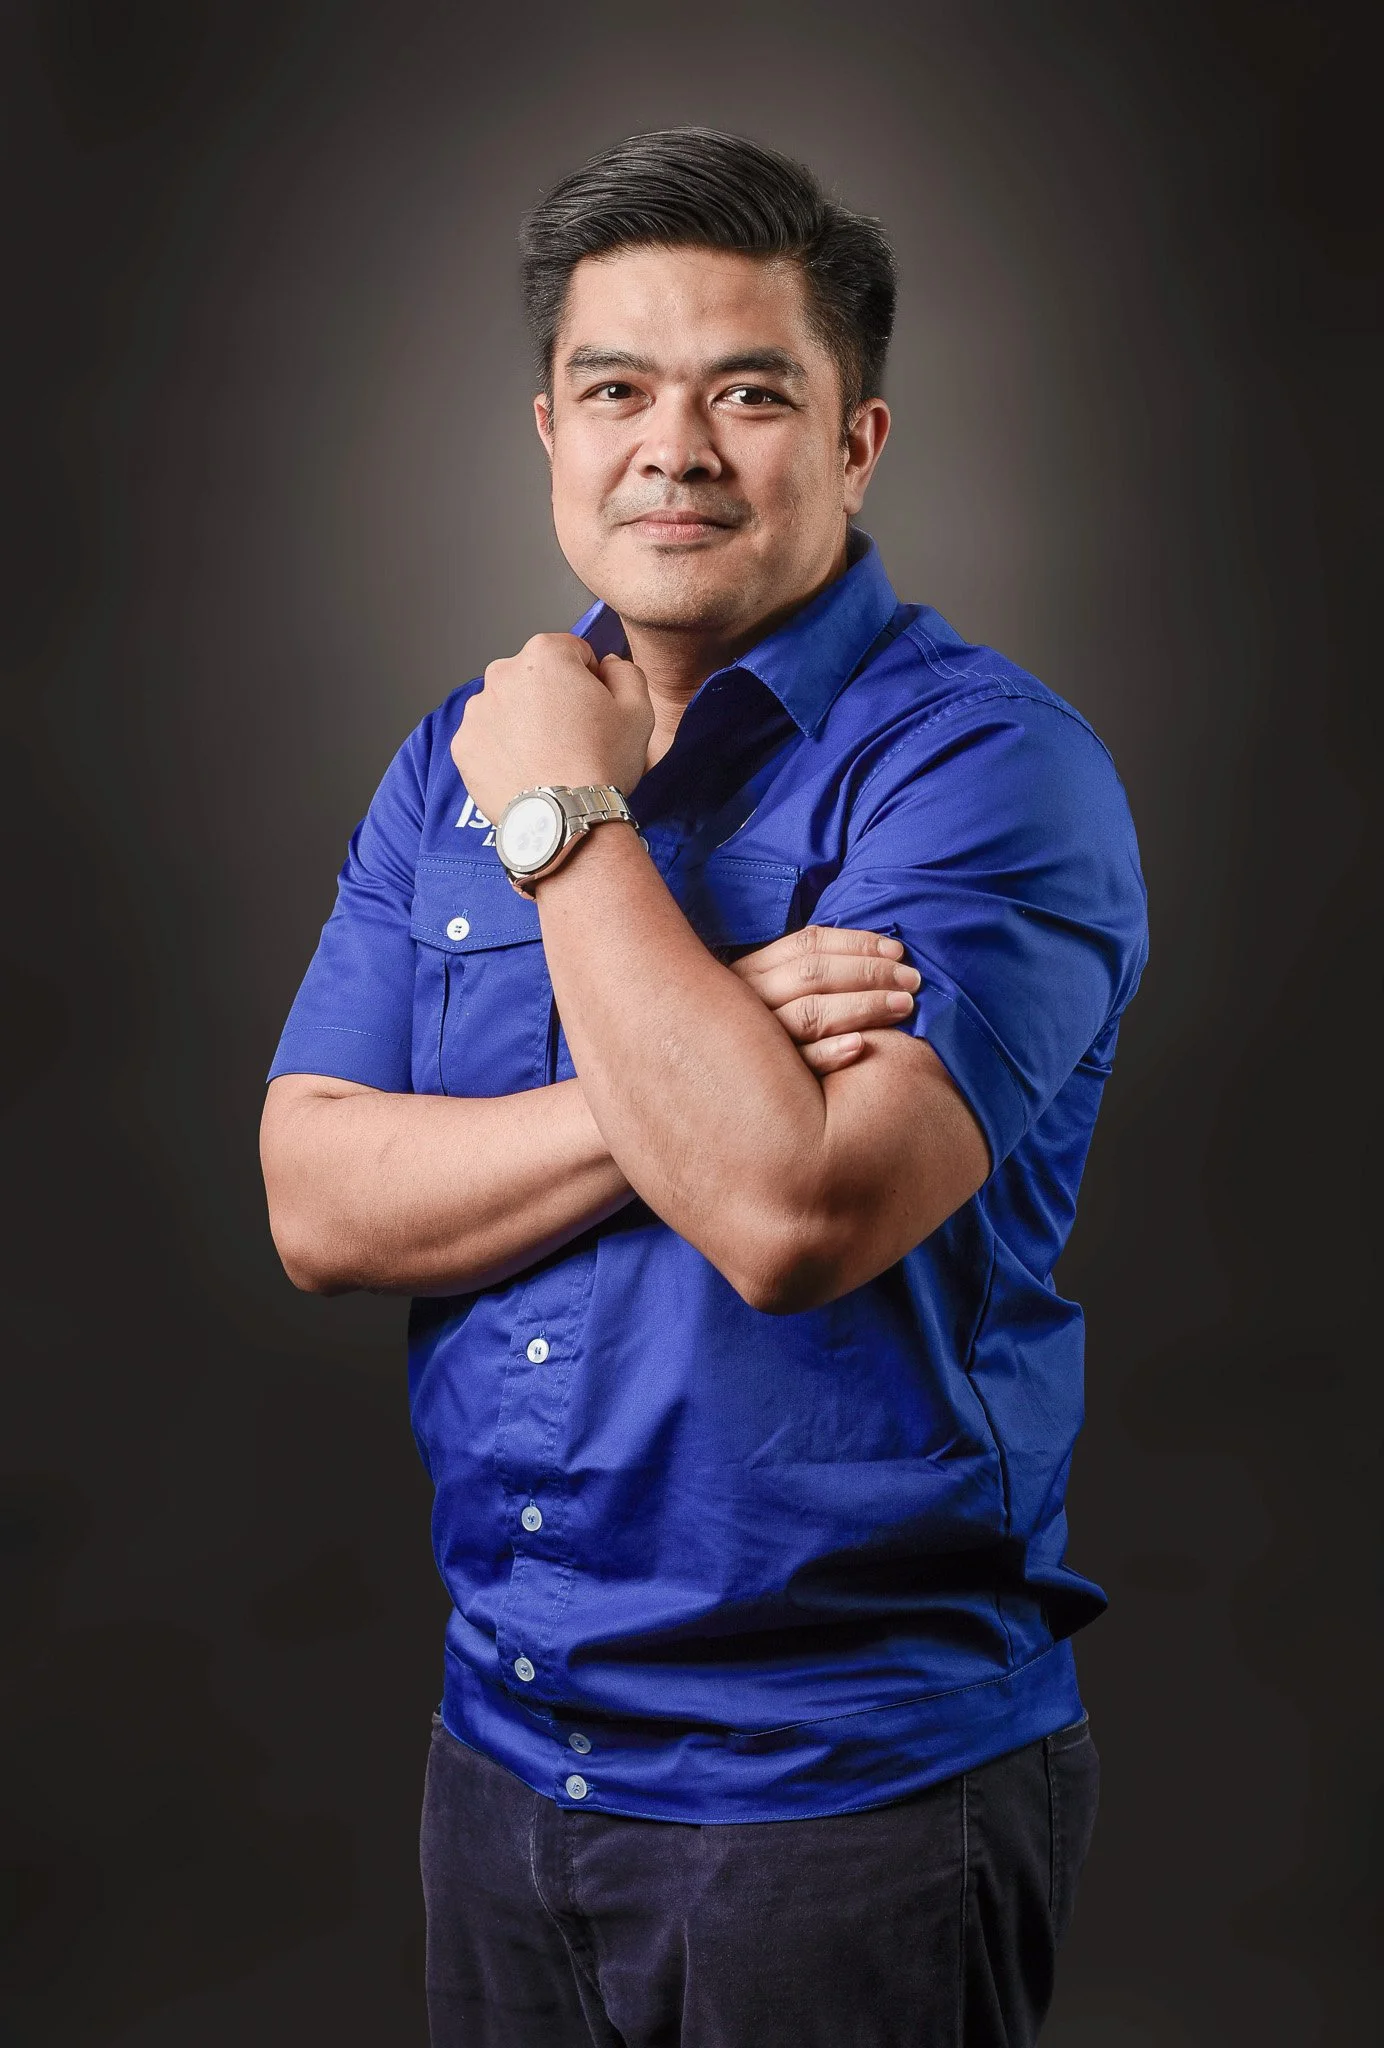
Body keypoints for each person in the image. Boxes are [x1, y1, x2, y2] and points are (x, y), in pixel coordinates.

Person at [259, 127, 1148, 2048]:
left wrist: (573, 835)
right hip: (502, 1761)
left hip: (851, 1801)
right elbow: (318, 1203)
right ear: (551, 434)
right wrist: (721, 1035)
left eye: (752, 392)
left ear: (859, 444)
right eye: (617, 391)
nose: (676, 446)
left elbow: (790, 1211)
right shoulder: (454, 756)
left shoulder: (992, 774)